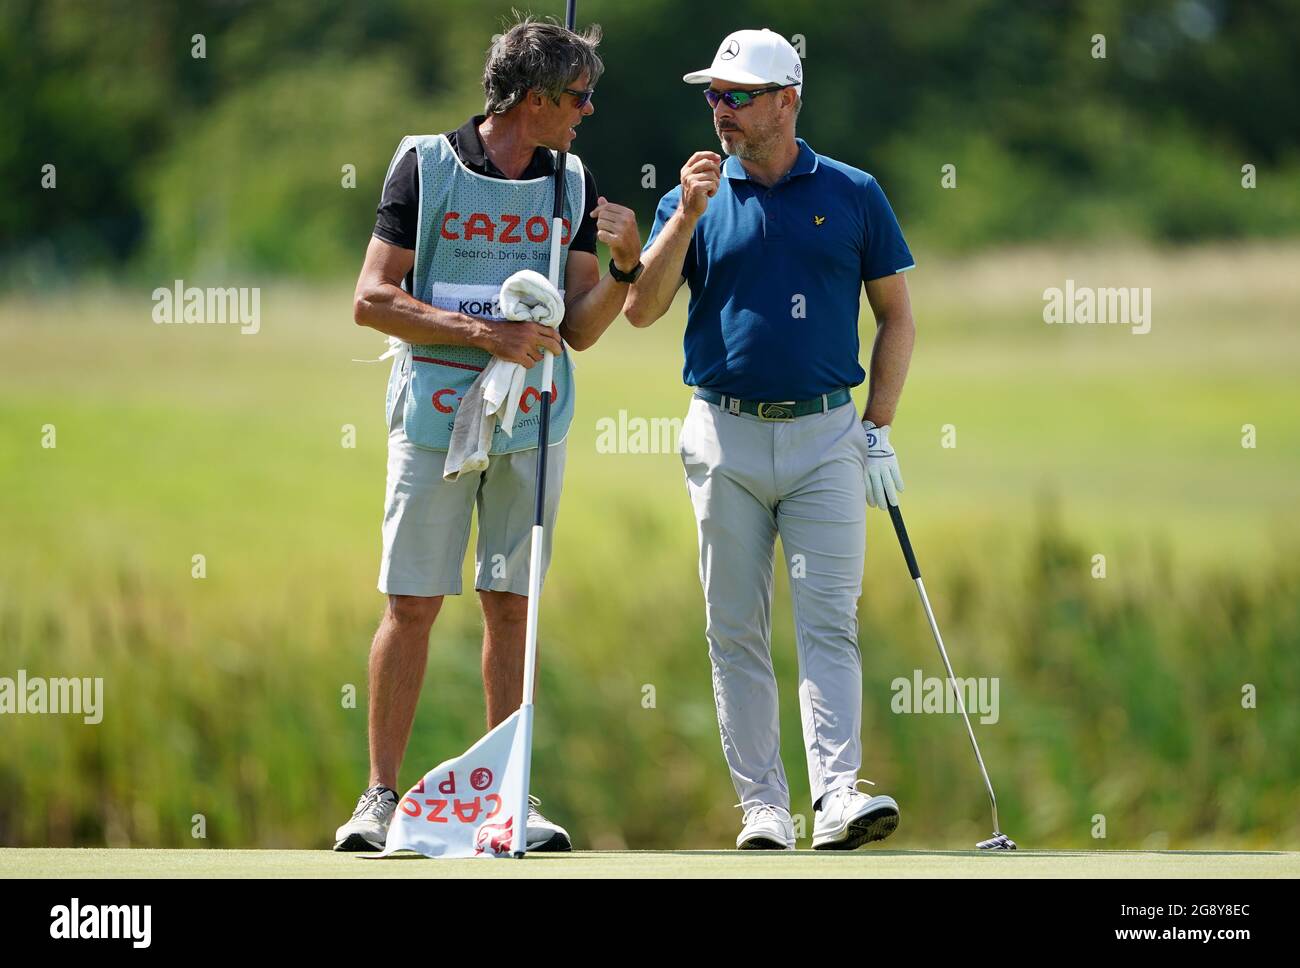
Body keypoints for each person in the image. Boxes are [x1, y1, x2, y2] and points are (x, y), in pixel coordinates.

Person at [335, 16, 643, 853]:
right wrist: (483, 336)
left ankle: (507, 794)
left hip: (534, 425)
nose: (586, 114)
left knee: (514, 607)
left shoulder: (571, 180)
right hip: (434, 416)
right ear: (536, 97)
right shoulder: (425, 165)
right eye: (578, 98)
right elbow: (372, 298)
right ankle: (379, 800)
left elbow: (579, 328)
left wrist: (623, 268)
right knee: (413, 603)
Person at [625, 28, 916, 850]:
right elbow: (641, 310)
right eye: (713, 95)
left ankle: (835, 797)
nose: (720, 110)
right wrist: (685, 213)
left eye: (737, 96)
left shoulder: (854, 192)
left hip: (828, 434)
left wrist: (879, 430)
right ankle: (762, 808)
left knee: (831, 622)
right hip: (723, 434)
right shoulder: (695, 196)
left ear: (787, 100)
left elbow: (896, 316)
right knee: (734, 628)